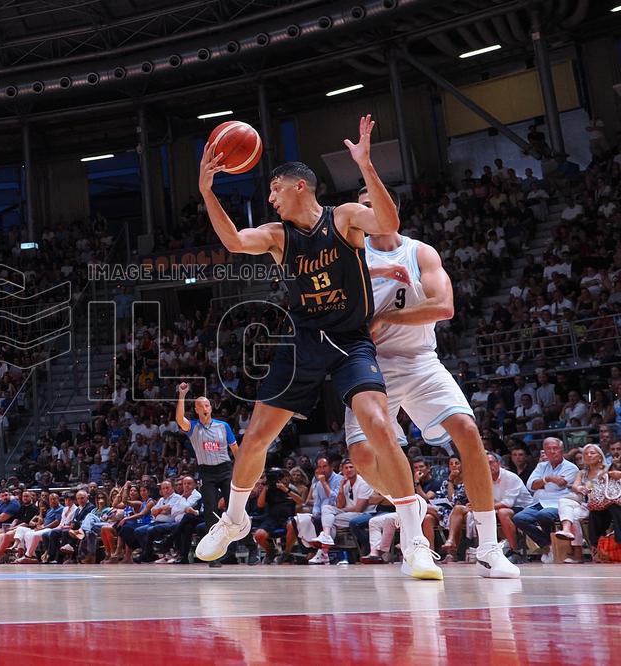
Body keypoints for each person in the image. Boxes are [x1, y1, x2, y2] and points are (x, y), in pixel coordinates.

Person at [194, 115, 440, 580]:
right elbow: (232, 240)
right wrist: (208, 190)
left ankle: (415, 539)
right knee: (255, 437)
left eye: (274, 190)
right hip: (303, 343)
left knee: (378, 424)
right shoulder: (277, 236)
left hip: (350, 342)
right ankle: (234, 519)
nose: (269, 198)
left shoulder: (344, 218)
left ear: (300, 188)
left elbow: (388, 221)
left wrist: (365, 165)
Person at [344, 184, 518, 578]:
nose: (364, 212)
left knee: (468, 430)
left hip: (421, 360)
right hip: (371, 363)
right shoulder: (351, 256)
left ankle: (489, 548)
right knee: (362, 457)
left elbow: (443, 306)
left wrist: (386, 317)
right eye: (361, 207)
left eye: (371, 205)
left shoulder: (420, 252)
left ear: (390, 210)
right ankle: (405, 501)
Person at [175, 382, 238, 567]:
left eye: (207, 405)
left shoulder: (223, 426)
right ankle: (214, 555)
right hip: (207, 472)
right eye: (201, 405)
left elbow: (236, 450)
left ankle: (246, 547)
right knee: (211, 512)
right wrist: (182, 395)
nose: (205, 407)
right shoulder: (193, 427)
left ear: (211, 408)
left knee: (234, 510)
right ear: (195, 409)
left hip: (226, 469)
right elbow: (179, 419)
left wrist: (241, 470)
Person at [512, 437, 580, 562]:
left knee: (544, 515)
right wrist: (548, 479)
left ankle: (554, 547)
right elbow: (530, 486)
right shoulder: (541, 466)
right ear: (545, 451)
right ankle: (548, 545)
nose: (552, 451)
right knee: (519, 518)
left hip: (559, 503)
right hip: (539, 503)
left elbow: (554, 488)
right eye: (549, 449)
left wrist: (543, 484)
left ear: (562, 450)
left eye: (555, 448)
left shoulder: (571, 468)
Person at [555, 444, 608, 563]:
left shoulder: (606, 470)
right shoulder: (582, 472)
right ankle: (567, 530)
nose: (588, 455)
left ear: (600, 456)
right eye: (586, 453)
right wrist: (579, 489)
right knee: (565, 503)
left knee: (572, 514)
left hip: (602, 504)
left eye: (592, 453)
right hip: (585, 503)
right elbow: (575, 486)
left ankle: (578, 554)